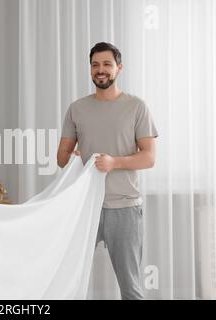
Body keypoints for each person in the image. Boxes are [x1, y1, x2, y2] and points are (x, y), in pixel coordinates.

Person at [57, 42, 158, 299]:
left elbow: (149, 158)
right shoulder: (76, 109)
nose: (100, 70)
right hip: (85, 207)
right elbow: (61, 158)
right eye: (95, 64)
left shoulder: (137, 107)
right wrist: (74, 156)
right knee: (66, 279)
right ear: (90, 69)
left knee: (130, 287)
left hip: (124, 209)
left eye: (106, 64)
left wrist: (114, 163)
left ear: (118, 68)